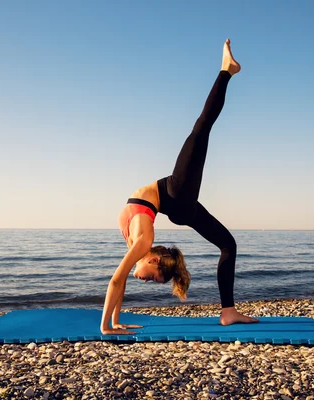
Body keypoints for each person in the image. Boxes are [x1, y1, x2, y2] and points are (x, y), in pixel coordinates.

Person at [100, 39, 259, 335]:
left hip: (175, 201)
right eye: (152, 279)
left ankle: (228, 312)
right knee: (201, 129)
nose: (143, 281)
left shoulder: (140, 246)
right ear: (155, 259)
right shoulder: (143, 243)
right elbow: (116, 280)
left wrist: (112, 323)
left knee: (228, 244)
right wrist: (109, 325)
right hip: (176, 195)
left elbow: (118, 281)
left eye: (149, 281)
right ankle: (226, 71)